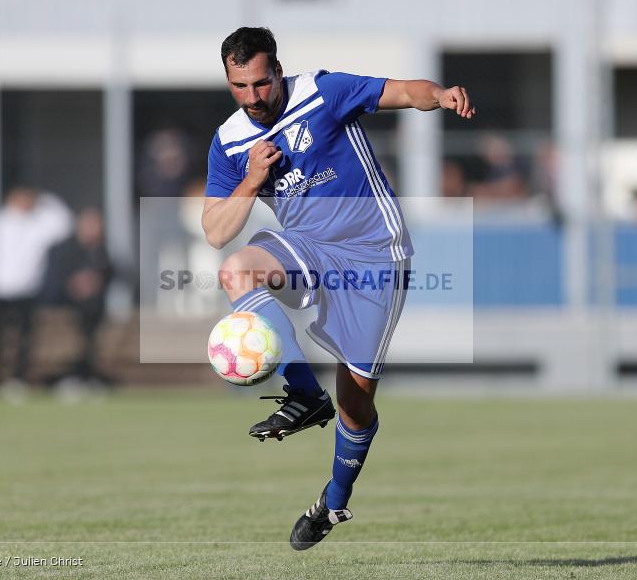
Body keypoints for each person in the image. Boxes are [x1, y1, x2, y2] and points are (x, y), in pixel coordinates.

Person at [201, 27, 474, 550]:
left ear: (278, 71)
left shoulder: (322, 92)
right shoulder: (230, 140)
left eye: (260, 83)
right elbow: (216, 231)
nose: (253, 97)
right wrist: (252, 180)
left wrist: (439, 96)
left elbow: (403, 91)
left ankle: (332, 501)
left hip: (375, 256)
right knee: (237, 268)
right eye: (240, 87)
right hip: (309, 245)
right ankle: (304, 394)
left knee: (356, 404)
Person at [0, 188, 72, 387]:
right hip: (0, 288)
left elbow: (64, 223)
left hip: (26, 290)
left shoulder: (38, 224)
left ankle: (17, 378)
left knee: (25, 339)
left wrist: (44, 199)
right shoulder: (0, 222)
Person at [40, 208, 114, 386]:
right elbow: (54, 280)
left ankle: (87, 371)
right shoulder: (63, 250)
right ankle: (78, 372)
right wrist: (74, 285)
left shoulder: (100, 251)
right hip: (63, 304)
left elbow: (114, 272)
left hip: (92, 309)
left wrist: (96, 281)